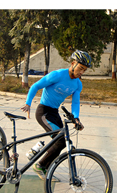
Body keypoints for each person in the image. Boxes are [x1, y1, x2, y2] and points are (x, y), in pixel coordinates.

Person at [21, 50, 88, 180]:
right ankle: (40, 165)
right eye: (80, 68)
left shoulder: (78, 84)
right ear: (73, 63)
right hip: (43, 112)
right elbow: (35, 86)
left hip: (54, 112)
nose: (81, 72)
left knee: (63, 142)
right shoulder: (57, 75)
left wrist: (76, 118)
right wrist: (28, 103)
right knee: (60, 140)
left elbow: (75, 103)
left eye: (84, 70)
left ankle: (45, 167)